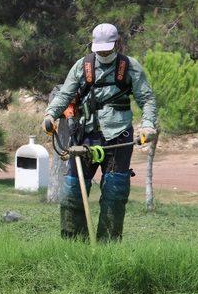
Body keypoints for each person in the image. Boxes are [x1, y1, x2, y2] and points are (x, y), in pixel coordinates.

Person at [43, 23, 157, 241]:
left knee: (114, 193)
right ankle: (74, 243)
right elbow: (64, 95)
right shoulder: (82, 65)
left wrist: (148, 124)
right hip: (84, 136)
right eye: (100, 49)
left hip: (119, 136)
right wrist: (50, 115)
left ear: (117, 44)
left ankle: (108, 247)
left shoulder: (130, 66)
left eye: (108, 48)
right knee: (72, 191)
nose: (104, 53)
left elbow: (147, 99)